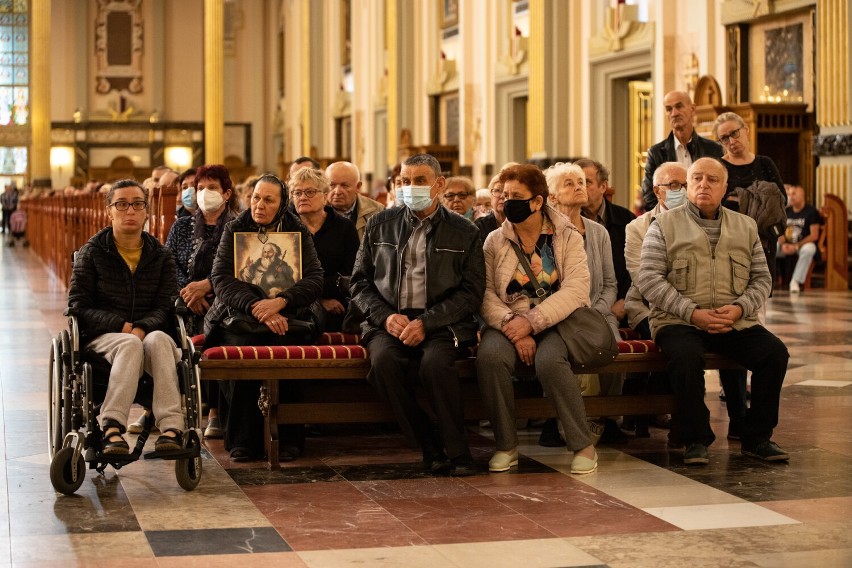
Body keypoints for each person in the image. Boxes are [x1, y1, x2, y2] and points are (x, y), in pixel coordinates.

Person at [638, 157, 790, 465]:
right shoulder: (664, 225)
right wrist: (693, 313)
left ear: (725, 188)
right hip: (679, 320)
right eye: (696, 179)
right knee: (685, 356)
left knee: (774, 353)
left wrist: (738, 309)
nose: (703, 185)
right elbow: (649, 278)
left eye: (712, 180)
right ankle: (695, 438)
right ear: (689, 184)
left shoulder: (745, 226)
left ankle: (757, 437)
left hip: (732, 319)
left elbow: (762, 278)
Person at [350, 153, 484, 477]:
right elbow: (359, 282)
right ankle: (430, 445)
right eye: (404, 181)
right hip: (390, 319)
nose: (410, 187)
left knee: (436, 364)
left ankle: (458, 452)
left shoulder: (464, 231)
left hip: (441, 320)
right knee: (383, 364)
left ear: (439, 185)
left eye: (419, 181)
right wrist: (384, 317)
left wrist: (428, 322)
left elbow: (471, 292)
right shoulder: (379, 224)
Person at [477, 163, 598, 475]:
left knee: (549, 361)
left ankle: (583, 444)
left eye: (515, 195)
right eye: (503, 195)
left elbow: (576, 290)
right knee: (490, 356)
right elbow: (486, 292)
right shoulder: (495, 240)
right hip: (507, 322)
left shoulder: (567, 236)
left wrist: (532, 322)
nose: (506, 201)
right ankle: (506, 445)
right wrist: (512, 326)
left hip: (557, 321)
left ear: (537, 202)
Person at [204, 174, 324, 462]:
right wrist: (258, 306)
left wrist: (281, 302)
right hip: (243, 314)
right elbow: (221, 279)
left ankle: (289, 439)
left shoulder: (296, 229)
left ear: (282, 203)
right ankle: (243, 440)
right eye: (256, 197)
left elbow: (315, 278)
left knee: (287, 342)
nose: (259, 204)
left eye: (268, 200)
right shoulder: (235, 227)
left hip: (288, 314)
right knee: (245, 345)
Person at [67, 179, 185, 455]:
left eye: (137, 204)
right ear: (109, 211)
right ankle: (112, 426)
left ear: (147, 211)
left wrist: (143, 327)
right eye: (121, 204)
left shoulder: (161, 255)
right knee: (130, 344)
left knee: (157, 341)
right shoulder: (92, 252)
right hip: (102, 338)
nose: (129, 211)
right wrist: (120, 326)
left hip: (150, 334)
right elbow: (78, 306)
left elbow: (167, 304)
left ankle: (171, 428)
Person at [713, 111, 787, 438]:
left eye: (735, 133)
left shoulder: (766, 163)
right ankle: (736, 397)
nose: (732, 141)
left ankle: (754, 393)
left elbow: (779, 203)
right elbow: (717, 209)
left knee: (757, 320)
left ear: (745, 130)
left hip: (763, 248)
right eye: (725, 137)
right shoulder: (719, 168)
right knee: (735, 324)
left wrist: (745, 204)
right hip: (727, 252)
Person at [546, 162, 624, 446]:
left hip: (597, 312)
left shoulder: (598, 232)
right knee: (563, 349)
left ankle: (608, 415)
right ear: (552, 196)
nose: (579, 187)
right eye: (569, 183)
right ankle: (566, 419)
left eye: (581, 182)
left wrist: (595, 312)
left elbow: (610, 284)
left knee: (611, 346)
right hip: (558, 316)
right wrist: (573, 313)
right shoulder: (545, 233)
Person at [162, 164, 239, 440]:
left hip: (224, 299)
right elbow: (169, 264)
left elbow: (241, 268)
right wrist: (188, 292)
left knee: (218, 328)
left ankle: (216, 410)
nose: (206, 193)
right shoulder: (182, 227)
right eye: (201, 188)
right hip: (186, 301)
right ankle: (166, 405)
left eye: (213, 188)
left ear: (227, 193)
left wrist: (208, 286)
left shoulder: (238, 226)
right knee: (169, 327)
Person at [623, 162, 688, 437]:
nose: (680, 191)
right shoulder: (638, 227)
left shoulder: (696, 221)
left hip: (689, 308)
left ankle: (682, 415)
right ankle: (665, 413)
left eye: (684, 186)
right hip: (647, 306)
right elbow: (643, 278)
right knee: (674, 339)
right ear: (657, 191)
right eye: (673, 186)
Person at [290, 166, 359, 331]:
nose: (303, 197)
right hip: (293, 301)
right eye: (297, 193)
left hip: (338, 301)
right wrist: (319, 300)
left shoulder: (344, 227)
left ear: (325, 196)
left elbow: (350, 272)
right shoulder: (286, 227)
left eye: (310, 192)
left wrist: (330, 292)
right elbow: (285, 277)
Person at [575, 159, 635, 326]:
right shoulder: (566, 222)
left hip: (621, 304)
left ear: (603, 186)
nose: (580, 188)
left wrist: (625, 301)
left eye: (586, 182)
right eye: (575, 182)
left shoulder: (627, 220)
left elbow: (638, 268)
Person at [641, 91, 723, 211]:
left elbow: (721, 187)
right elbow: (649, 197)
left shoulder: (713, 150)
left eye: (679, 106)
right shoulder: (656, 153)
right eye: (669, 109)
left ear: (692, 109)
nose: (674, 113)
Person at [777, 184, 822, 293]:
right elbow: (780, 230)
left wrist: (796, 246)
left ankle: (795, 281)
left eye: (794, 194)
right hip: (786, 245)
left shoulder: (811, 211)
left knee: (809, 249)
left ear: (802, 196)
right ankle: (767, 281)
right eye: (790, 194)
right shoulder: (786, 211)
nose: (791, 197)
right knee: (770, 247)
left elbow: (814, 235)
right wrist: (783, 243)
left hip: (802, 245)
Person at [326, 161, 385, 240]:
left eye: (344, 185)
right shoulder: (316, 210)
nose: (337, 191)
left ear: (358, 187)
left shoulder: (377, 211)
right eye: (332, 185)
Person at [474, 174, 505, 241]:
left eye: (506, 192)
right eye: (497, 191)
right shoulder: (479, 226)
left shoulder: (522, 224)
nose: (502, 196)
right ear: (490, 196)